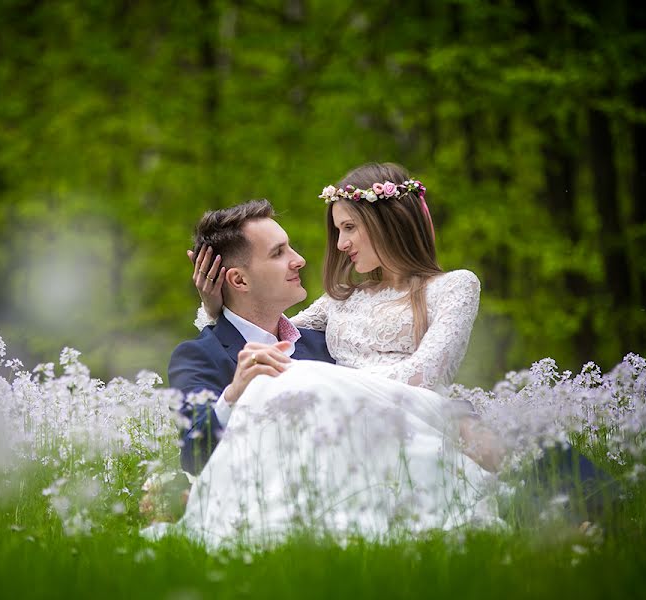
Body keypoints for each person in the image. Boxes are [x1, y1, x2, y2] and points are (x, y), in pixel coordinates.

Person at [163, 162, 506, 547]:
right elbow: (252, 318)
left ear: (387, 223)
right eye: (279, 252)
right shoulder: (337, 305)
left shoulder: (315, 346)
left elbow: (427, 373)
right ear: (238, 279)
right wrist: (215, 308)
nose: (306, 257)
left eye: (349, 228)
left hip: (405, 432)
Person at [168, 199, 335, 475]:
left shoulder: (324, 344)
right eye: (278, 253)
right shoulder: (199, 356)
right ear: (240, 281)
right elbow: (193, 458)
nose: (299, 260)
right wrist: (234, 395)